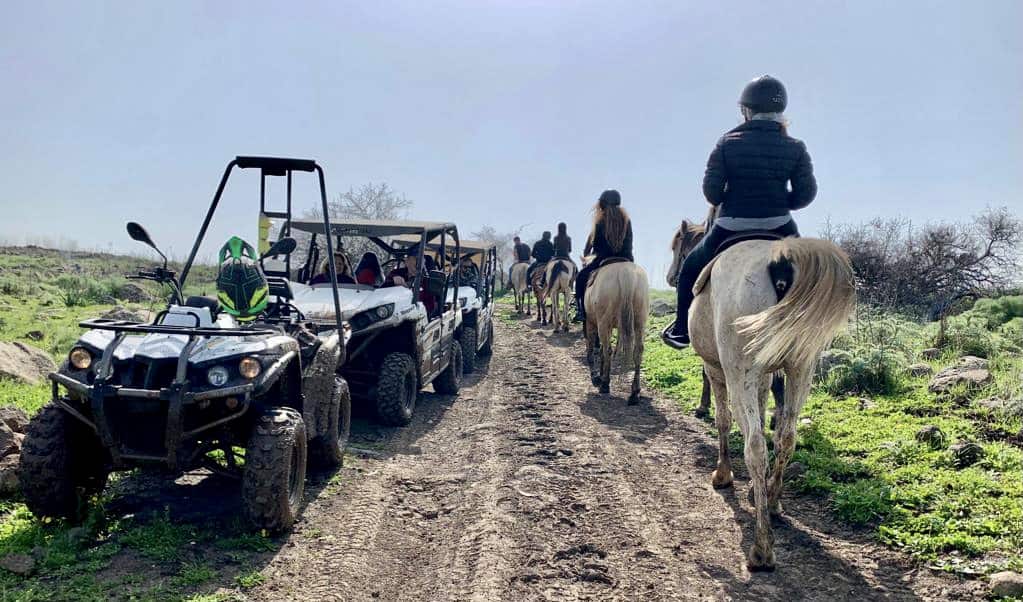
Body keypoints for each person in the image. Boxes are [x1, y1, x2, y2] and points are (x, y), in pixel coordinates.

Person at [661, 75, 816, 349]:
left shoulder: (726, 143)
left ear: (746, 110)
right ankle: (814, 332)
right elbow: (806, 195)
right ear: (781, 112)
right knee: (811, 272)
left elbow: (712, 193)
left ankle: (682, 330)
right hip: (780, 225)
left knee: (689, 269)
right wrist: (780, 200)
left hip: (731, 226)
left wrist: (733, 198)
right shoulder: (796, 147)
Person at [573, 190, 633, 322]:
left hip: (603, 259)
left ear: (602, 204)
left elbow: (596, 245)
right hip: (627, 259)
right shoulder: (626, 221)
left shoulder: (600, 221)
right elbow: (629, 243)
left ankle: (580, 310)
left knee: (581, 278)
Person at [384, 248, 437, 316]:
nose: (419, 262)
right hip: (390, 313)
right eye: (416, 258)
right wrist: (393, 282)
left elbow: (430, 307)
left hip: (415, 317)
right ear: (407, 261)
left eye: (421, 259)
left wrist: (406, 289)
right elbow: (383, 291)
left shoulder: (427, 281)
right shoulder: (396, 273)